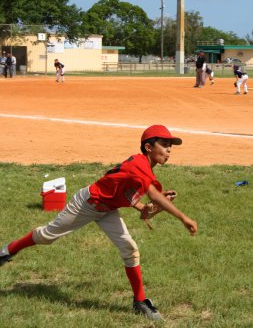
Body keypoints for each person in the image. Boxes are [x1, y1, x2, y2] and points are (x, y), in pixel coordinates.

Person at [0, 125, 198, 321]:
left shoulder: (145, 170)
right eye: (164, 144)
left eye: (170, 146)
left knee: (129, 249)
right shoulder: (139, 165)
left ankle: (139, 301)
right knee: (46, 236)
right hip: (86, 204)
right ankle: (8, 250)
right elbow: (153, 194)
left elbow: (144, 212)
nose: (169, 150)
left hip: (107, 210)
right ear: (148, 147)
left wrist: (158, 207)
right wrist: (183, 217)